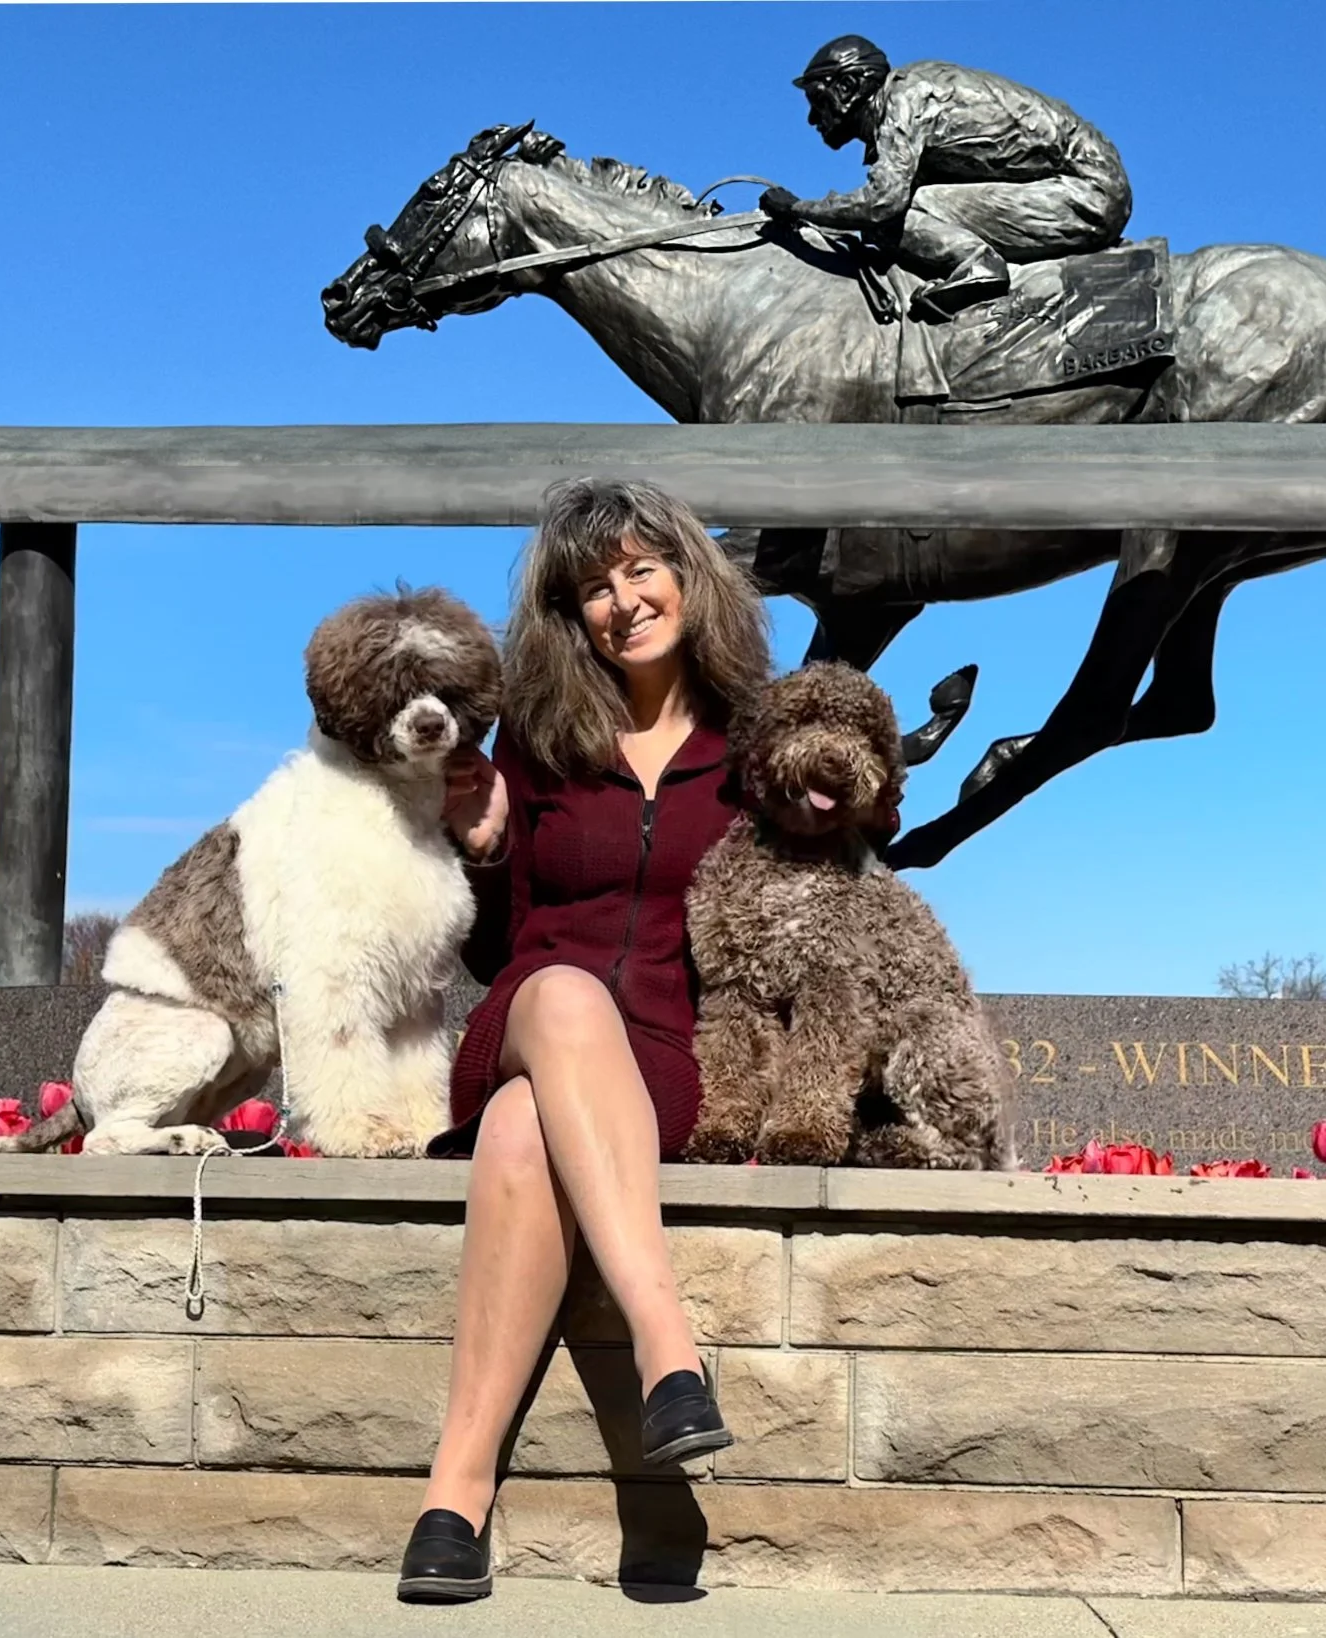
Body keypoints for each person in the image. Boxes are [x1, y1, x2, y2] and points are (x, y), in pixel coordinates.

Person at [395, 477, 773, 1604]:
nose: (622, 602)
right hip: (525, 1018)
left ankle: (454, 1494)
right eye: (594, 589)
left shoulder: (756, 746)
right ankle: (670, 1348)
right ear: (572, 619)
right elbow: (494, 948)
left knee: (520, 1137)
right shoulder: (538, 744)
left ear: (688, 576)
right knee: (556, 999)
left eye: (641, 570)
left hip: (662, 1063)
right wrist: (484, 851)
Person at [760, 35, 1133, 321]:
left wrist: (798, 209)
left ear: (847, 87)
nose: (812, 118)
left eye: (816, 100)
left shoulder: (905, 99)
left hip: (1086, 192)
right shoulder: (913, 94)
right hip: (1079, 185)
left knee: (896, 219)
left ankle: (977, 267)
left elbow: (882, 203)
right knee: (905, 211)